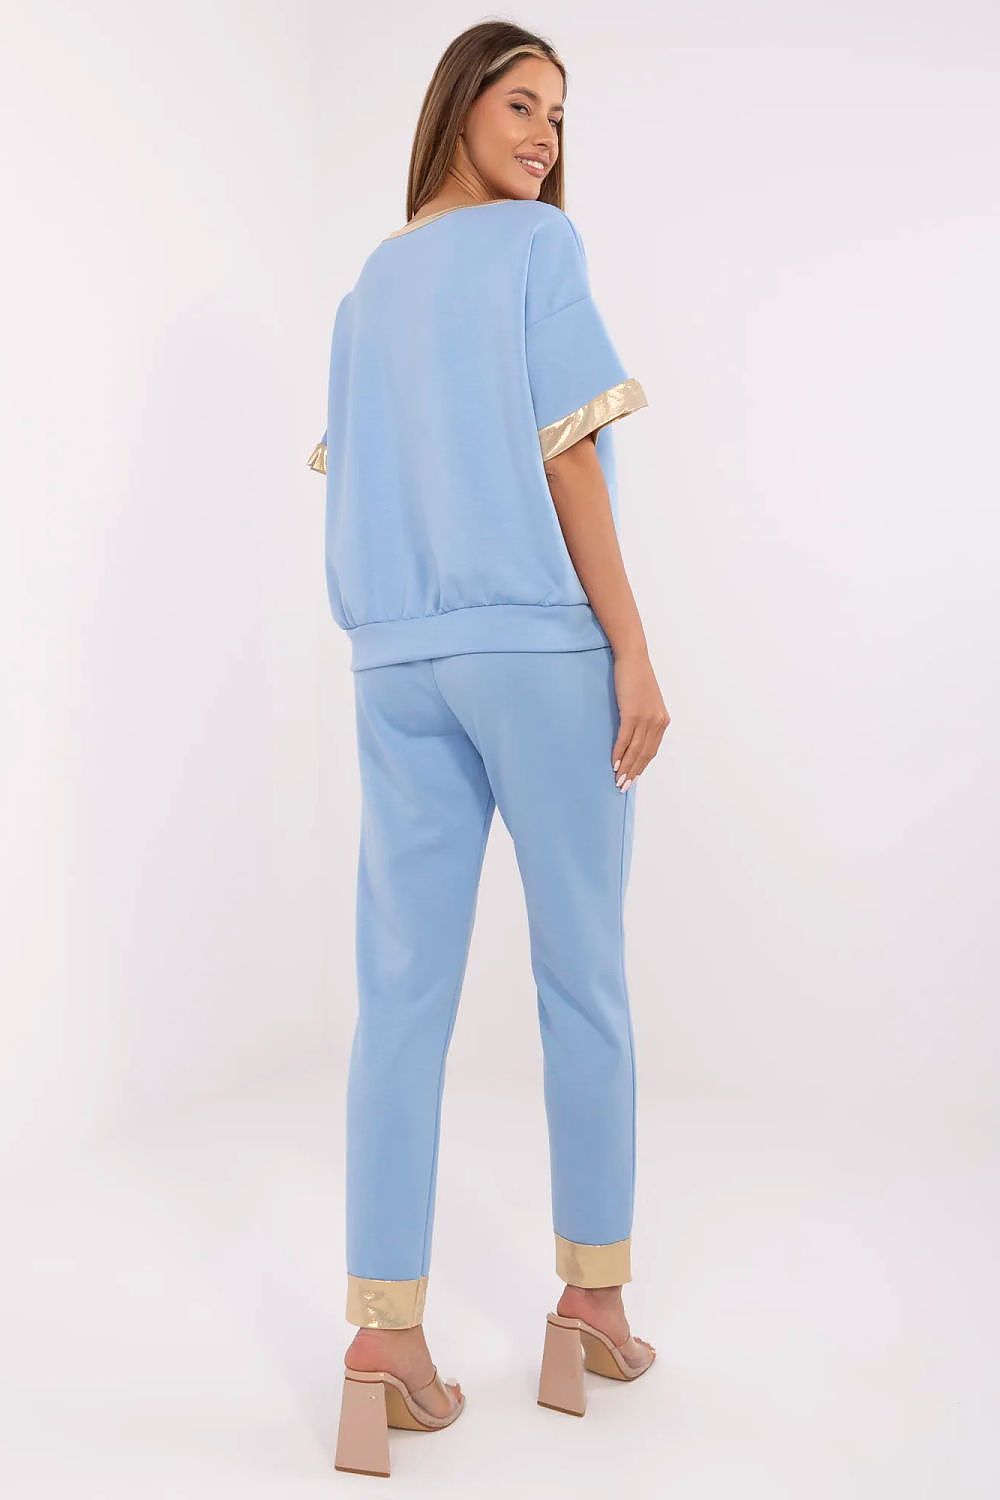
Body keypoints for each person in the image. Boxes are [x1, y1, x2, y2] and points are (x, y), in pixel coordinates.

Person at [310, 21, 670, 1478]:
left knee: (398, 998)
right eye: (521, 103)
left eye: (560, 116)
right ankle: (593, 1305)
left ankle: (381, 1338)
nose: (544, 137)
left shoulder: (368, 288)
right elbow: (566, 452)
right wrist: (632, 647)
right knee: (582, 978)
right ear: (458, 104)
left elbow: (363, 479)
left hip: (394, 664)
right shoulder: (536, 249)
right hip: (536, 652)